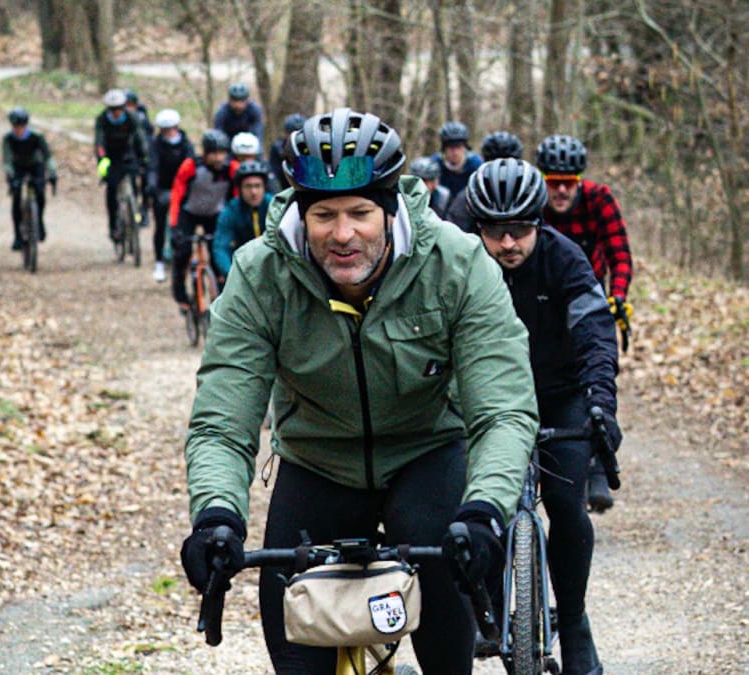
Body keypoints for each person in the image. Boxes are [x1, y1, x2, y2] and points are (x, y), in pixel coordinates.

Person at [180, 108, 538, 674]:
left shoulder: (458, 263)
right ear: (301, 213)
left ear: (390, 210)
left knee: (449, 627)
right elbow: (223, 420)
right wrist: (215, 515)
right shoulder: (259, 274)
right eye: (323, 215)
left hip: (427, 453)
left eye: (360, 213)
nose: (342, 234)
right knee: (296, 656)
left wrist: (485, 509)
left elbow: (502, 410)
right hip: (318, 463)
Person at [466, 158, 622, 675]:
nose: (508, 243)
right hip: (489, 399)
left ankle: (574, 622)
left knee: (565, 504)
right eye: (495, 232)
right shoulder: (464, 262)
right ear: (478, 228)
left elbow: (595, 332)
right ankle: (485, 607)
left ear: (539, 223)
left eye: (519, 230)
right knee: (478, 503)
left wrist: (601, 402)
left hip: (560, 394)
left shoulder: (565, 259)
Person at [535, 134, 633, 512]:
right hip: (543, 301)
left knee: (597, 372)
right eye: (553, 182)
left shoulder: (599, 200)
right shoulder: (532, 204)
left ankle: (597, 461)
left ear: (579, 181)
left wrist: (617, 295)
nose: (560, 191)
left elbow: (620, 255)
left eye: (568, 182)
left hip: (587, 298)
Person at [168, 129, 238, 312]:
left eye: (222, 153)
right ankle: (181, 295)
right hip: (189, 213)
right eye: (214, 153)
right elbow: (177, 194)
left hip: (215, 214)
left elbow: (237, 196)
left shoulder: (232, 169)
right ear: (205, 153)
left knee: (218, 253)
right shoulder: (191, 166)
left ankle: (221, 295)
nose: (219, 158)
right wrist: (174, 226)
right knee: (182, 252)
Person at [94, 88, 150, 243]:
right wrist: (102, 159)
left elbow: (140, 137)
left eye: (119, 108)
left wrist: (144, 157)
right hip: (111, 157)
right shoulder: (102, 120)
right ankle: (113, 226)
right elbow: (99, 142)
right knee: (112, 190)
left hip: (128, 154)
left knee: (135, 181)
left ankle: (135, 212)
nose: (116, 112)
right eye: (112, 109)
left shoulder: (132, 117)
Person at [147, 108, 195, 282]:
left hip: (182, 190)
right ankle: (159, 262)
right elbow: (153, 167)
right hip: (162, 189)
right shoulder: (156, 145)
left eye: (172, 128)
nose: (169, 133)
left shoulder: (186, 145)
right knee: (160, 226)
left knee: (183, 227)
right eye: (165, 130)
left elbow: (191, 166)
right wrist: (152, 185)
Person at [446, 130, 524, 233]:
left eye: (507, 164)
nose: (501, 170)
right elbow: (455, 233)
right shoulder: (469, 197)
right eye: (494, 163)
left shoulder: (527, 193)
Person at [2, 107, 57, 251]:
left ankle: (39, 222)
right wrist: (10, 175)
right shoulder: (8, 138)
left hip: (35, 165)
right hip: (18, 167)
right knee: (16, 198)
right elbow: (6, 160)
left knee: (40, 193)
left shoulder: (36, 137)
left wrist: (52, 172)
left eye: (21, 126)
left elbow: (48, 157)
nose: (18, 130)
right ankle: (17, 235)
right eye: (16, 126)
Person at [212, 159, 273, 279]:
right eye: (248, 186)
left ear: (264, 187)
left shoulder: (274, 205)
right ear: (240, 189)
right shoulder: (231, 210)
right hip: (243, 266)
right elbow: (221, 247)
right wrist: (231, 275)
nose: (253, 192)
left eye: (258, 186)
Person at [124, 88, 155, 228]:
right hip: (129, 154)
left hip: (143, 153)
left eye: (131, 104)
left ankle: (145, 210)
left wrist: (147, 157)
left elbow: (148, 139)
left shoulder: (142, 118)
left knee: (147, 183)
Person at [431, 121, 482, 200]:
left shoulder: (475, 164)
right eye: (451, 148)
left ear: (465, 148)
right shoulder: (435, 164)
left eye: (459, 147)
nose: (455, 152)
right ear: (444, 149)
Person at [269, 113, 306, 191]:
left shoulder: (309, 148)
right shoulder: (277, 148)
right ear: (286, 133)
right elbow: (273, 174)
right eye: (292, 133)